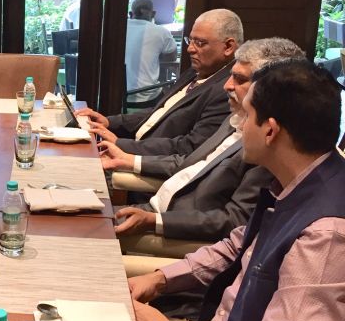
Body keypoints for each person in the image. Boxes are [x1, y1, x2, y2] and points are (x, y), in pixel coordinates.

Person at [130, 59, 345, 321]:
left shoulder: (327, 234)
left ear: (271, 131)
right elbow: (237, 245)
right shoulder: (300, 182)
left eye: (245, 117)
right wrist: (160, 279)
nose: (237, 127)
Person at [103, 38, 303, 242]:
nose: (227, 85)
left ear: (270, 89)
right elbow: (193, 163)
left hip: (172, 232)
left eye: (239, 79)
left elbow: (236, 221)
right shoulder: (235, 117)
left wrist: (155, 221)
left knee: (79, 231)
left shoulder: (269, 145)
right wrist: (129, 160)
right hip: (152, 208)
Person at [79, 8, 243, 156]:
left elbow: (190, 147)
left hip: (144, 163)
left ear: (228, 47)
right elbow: (159, 112)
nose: (190, 49)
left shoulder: (226, 90)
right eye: (190, 40)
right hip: (133, 147)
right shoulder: (196, 71)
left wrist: (120, 144)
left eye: (200, 43)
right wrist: (109, 121)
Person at [124, 0, 177, 103]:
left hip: (118, 96)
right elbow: (172, 57)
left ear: (130, 14)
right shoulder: (161, 32)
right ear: (153, 14)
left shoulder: (119, 27)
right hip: (149, 97)